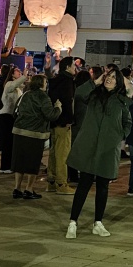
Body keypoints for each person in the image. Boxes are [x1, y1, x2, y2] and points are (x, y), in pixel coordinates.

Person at [65, 68, 131, 239]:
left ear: (119, 82)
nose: (109, 79)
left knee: (103, 186)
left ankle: (98, 222)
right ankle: (73, 221)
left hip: (108, 148)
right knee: (84, 184)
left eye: (113, 77)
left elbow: (127, 122)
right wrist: (95, 81)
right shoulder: (94, 95)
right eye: (108, 76)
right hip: (90, 145)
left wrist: (119, 136)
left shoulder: (122, 101)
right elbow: (79, 93)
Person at [9, 74, 61, 200]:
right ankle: (29, 189)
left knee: (19, 161)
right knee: (33, 162)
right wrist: (58, 108)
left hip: (19, 131)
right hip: (35, 134)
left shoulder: (25, 94)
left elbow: (15, 110)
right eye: (45, 82)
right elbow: (51, 115)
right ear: (41, 84)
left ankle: (17, 188)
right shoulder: (43, 97)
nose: (47, 84)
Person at [48, 57, 78, 195]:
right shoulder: (68, 81)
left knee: (54, 152)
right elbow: (67, 101)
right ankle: (61, 183)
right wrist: (69, 119)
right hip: (63, 121)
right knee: (63, 153)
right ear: (67, 67)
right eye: (73, 66)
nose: (75, 69)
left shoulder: (55, 80)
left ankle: (52, 181)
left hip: (54, 120)